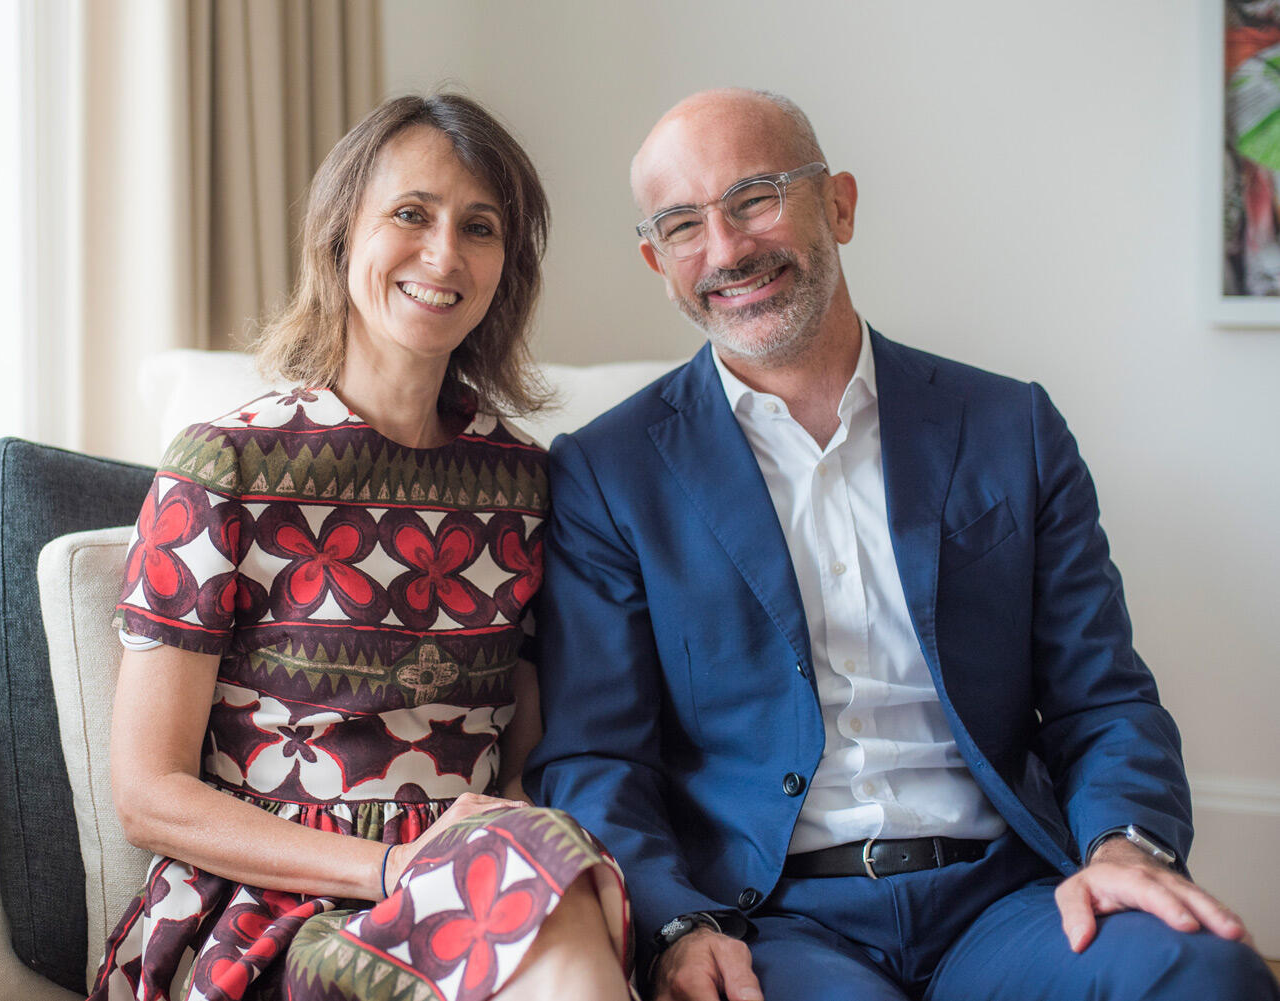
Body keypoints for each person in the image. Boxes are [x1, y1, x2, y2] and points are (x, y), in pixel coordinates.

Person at [524, 88, 1278, 1001]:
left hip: (1011, 898)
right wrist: (676, 924)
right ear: (658, 260)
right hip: (773, 922)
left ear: (838, 204)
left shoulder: (1010, 427)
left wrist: (1125, 846)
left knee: (1207, 974)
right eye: (684, 225)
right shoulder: (608, 474)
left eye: (755, 198)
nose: (725, 250)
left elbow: (1103, 696)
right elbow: (597, 758)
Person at [92, 94, 633, 1001]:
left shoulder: (525, 487)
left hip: (476, 892)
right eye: (411, 214)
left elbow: (526, 757)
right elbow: (148, 792)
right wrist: (390, 868)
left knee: (558, 869)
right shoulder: (224, 467)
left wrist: (478, 850)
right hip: (268, 913)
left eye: (479, 227)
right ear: (341, 235)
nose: (444, 255)